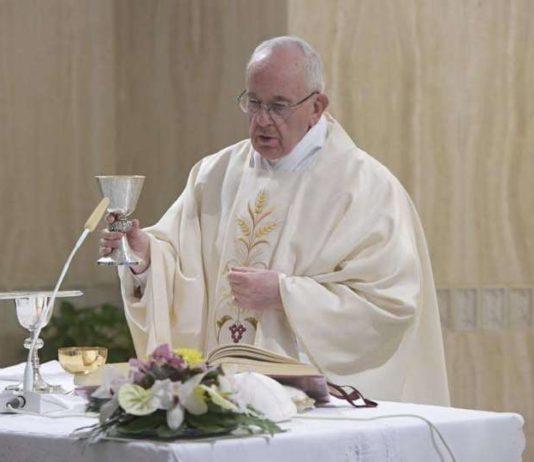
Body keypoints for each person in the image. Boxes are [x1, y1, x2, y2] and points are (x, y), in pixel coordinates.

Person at [100, 36, 449, 405]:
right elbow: (179, 262)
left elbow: (390, 304)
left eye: (278, 106)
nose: (262, 121)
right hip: (222, 395)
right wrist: (146, 256)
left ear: (317, 106)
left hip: (313, 406)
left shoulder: (366, 188)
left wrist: (285, 294)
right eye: (253, 103)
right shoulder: (214, 175)